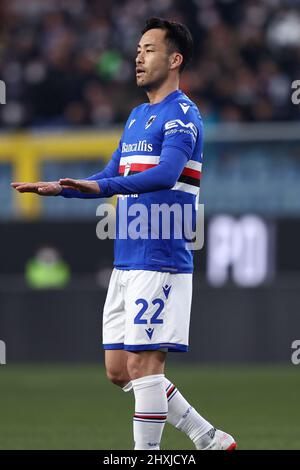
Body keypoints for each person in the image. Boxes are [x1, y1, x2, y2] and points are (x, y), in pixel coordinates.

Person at [11, 17, 236, 451]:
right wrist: (64, 188)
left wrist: (101, 187)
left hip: (161, 252)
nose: (138, 56)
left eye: (149, 49)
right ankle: (208, 437)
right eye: (137, 49)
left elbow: (167, 174)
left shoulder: (183, 116)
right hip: (127, 256)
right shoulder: (137, 116)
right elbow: (111, 174)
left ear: (175, 60)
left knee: (145, 366)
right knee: (120, 371)